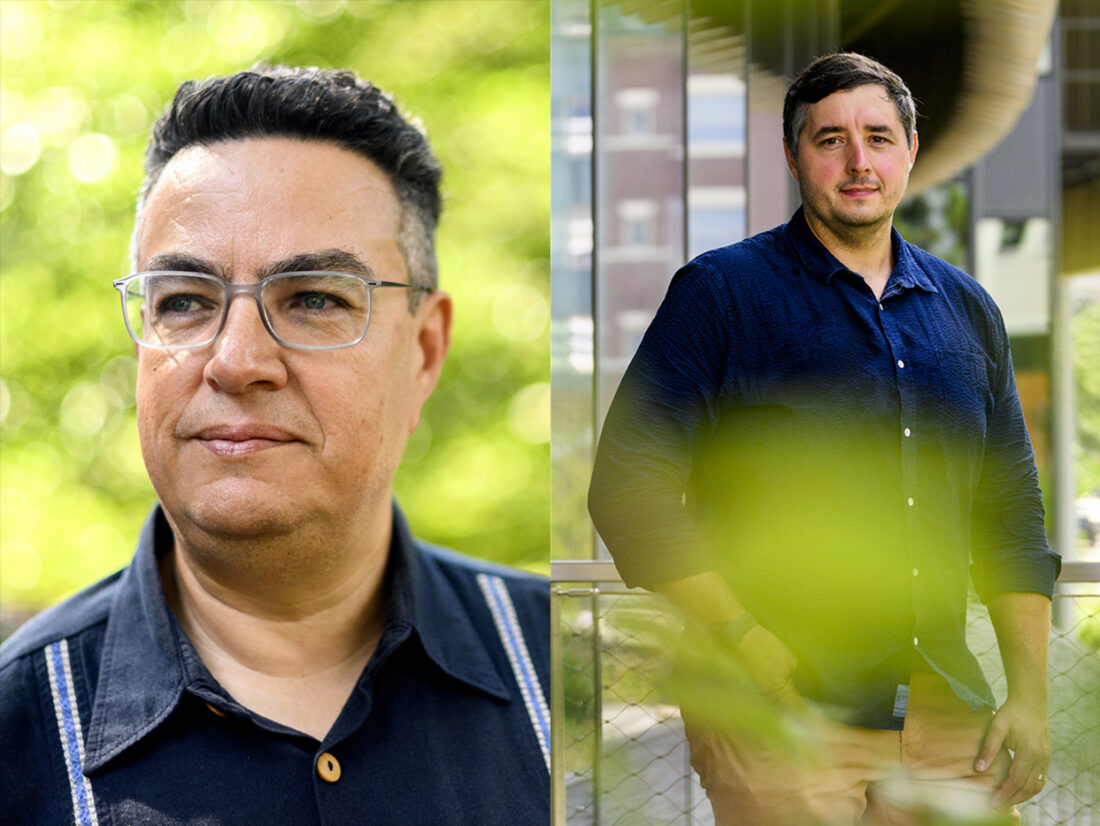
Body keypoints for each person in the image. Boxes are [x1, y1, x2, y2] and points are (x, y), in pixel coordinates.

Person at [0, 66, 549, 826]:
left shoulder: (583, 684)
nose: (236, 361)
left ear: (424, 351)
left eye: (316, 298)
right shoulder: (16, 734)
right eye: (186, 302)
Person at [588, 52, 1060, 826]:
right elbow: (628, 485)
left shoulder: (968, 310)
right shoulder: (721, 294)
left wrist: (1030, 702)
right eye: (829, 139)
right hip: (781, 712)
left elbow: (1011, 515)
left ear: (910, 148)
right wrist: (743, 636)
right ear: (793, 155)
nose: (858, 161)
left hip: (945, 706)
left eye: (877, 136)